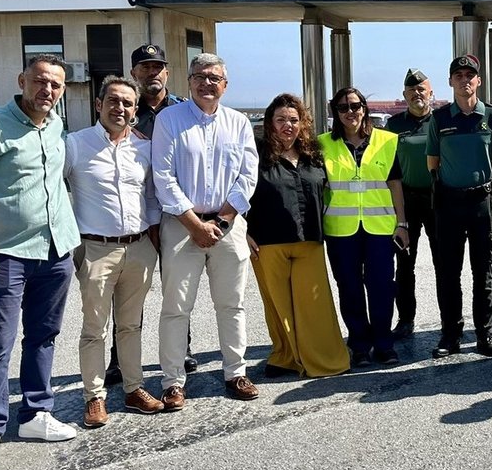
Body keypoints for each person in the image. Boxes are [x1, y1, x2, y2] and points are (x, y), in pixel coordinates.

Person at [0, 54, 81, 470]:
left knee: (44, 335)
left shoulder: (57, 125)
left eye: (56, 85)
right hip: (6, 253)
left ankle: (35, 413)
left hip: (55, 250)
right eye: (40, 82)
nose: (48, 91)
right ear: (22, 80)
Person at [152, 53, 260, 410]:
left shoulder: (239, 122)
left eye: (214, 78)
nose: (206, 83)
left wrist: (224, 221)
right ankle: (172, 382)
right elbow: (163, 177)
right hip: (182, 225)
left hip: (227, 225)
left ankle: (236, 372)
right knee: (176, 307)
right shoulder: (169, 119)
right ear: (189, 82)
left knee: (232, 304)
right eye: (200, 76)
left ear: (225, 85)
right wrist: (195, 225)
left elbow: (247, 175)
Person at [66, 76, 165, 428]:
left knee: (131, 325)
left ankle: (133, 388)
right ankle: (94, 397)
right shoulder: (75, 145)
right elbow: (54, 190)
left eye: (127, 103)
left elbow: (151, 196)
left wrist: (152, 241)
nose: (119, 108)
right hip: (95, 250)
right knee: (94, 327)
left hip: (138, 248)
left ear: (135, 110)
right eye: (113, 101)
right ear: (98, 104)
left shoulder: (143, 148)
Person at [246, 93, 350, 378]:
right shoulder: (255, 154)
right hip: (267, 241)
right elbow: (236, 192)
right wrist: (243, 230)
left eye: (293, 120)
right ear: (270, 123)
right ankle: (285, 356)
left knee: (314, 305)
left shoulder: (314, 155)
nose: (287, 125)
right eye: (281, 120)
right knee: (277, 304)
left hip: (310, 240)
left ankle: (322, 357)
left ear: (303, 123)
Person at [113, 43, 194, 384]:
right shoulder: (125, 112)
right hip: (138, 215)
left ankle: (182, 350)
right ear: (133, 73)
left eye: (157, 66)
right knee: (131, 291)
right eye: (144, 67)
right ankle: (120, 360)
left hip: (177, 212)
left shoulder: (184, 110)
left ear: (167, 72)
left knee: (178, 287)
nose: (152, 73)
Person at [319, 86, 412, 367]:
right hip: (340, 229)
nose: (351, 112)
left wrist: (402, 224)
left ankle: (383, 343)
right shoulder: (322, 144)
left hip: (380, 228)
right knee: (349, 288)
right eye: (343, 107)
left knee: (382, 287)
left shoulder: (387, 141)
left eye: (356, 106)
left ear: (365, 108)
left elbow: (395, 184)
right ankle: (359, 344)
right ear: (334, 111)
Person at [426, 55, 492, 358]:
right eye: (458, 75)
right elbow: (432, 162)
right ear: (450, 81)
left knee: (483, 271)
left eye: (469, 75)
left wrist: (486, 186)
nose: (464, 80)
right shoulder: (440, 119)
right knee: (448, 272)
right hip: (449, 202)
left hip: (481, 203)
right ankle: (450, 335)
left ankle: (485, 335)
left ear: (479, 81)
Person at [384, 69, 435, 340]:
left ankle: (451, 321)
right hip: (405, 201)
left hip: (437, 199)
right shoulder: (393, 126)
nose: (418, 94)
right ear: (405, 95)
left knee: (445, 263)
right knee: (405, 265)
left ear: (431, 93)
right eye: (412, 91)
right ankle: (406, 319)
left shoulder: (440, 121)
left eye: (422, 90)